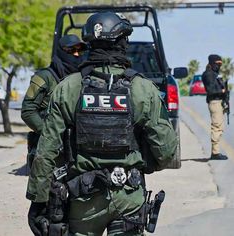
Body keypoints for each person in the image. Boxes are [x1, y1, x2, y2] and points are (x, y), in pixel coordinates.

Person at [26, 12, 178, 236]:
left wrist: (38, 200)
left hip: (83, 201)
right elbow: (166, 151)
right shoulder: (143, 89)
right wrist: (142, 165)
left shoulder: (68, 88)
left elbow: (46, 151)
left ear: (89, 44)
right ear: (123, 43)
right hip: (129, 197)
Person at [21, 34, 87, 168]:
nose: (76, 55)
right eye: (71, 50)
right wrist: (48, 134)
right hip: (50, 148)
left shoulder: (83, 78)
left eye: (79, 51)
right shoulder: (45, 77)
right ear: (62, 52)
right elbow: (28, 111)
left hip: (77, 146)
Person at [202, 54, 228, 160]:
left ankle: (216, 151)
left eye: (220, 64)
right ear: (212, 63)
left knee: (220, 127)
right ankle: (215, 153)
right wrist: (221, 91)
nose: (219, 66)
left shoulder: (213, 74)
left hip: (218, 102)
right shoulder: (209, 74)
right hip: (215, 102)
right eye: (218, 64)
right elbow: (211, 90)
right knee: (216, 127)